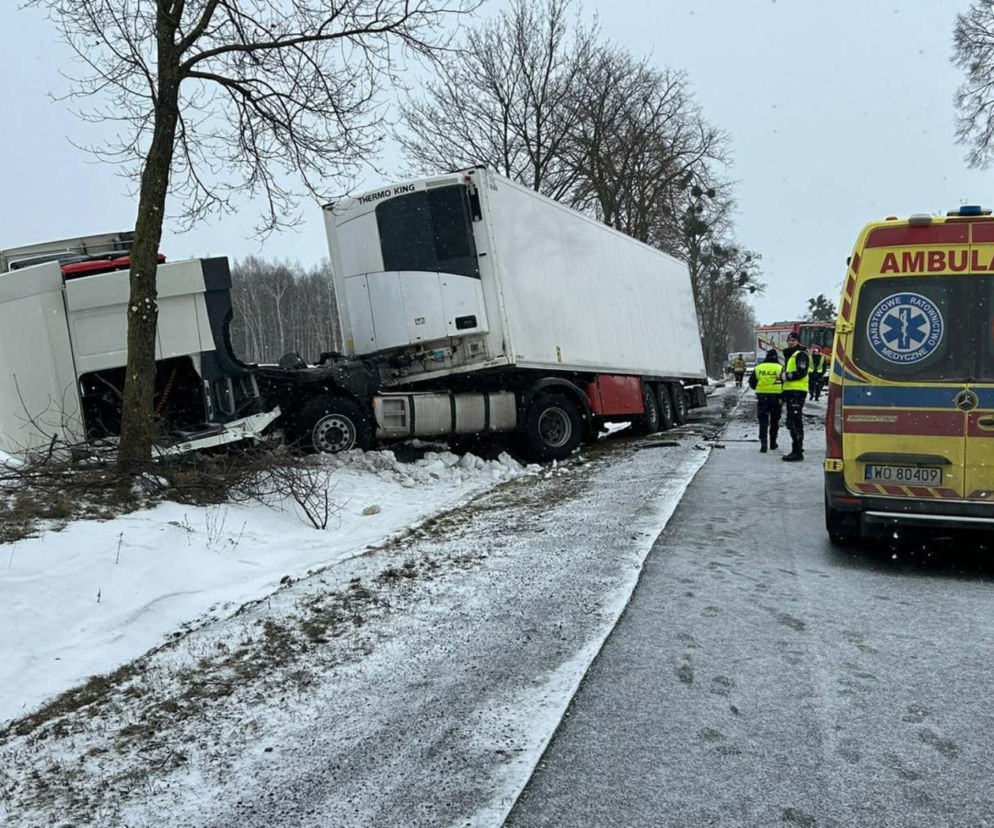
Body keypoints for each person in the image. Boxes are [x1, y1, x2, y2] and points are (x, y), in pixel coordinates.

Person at [780, 331, 810, 461]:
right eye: (789, 340)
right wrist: (783, 393)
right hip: (791, 391)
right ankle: (798, 448)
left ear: (798, 342)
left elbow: (801, 372)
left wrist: (785, 376)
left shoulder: (801, 354)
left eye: (793, 340)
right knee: (793, 421)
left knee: (793, 421)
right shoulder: (790, 355)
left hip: (798, 391)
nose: (791, 342)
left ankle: (797, 451)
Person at [748, 349, 783, 453]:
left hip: (762, 396)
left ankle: (763, 443)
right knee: (775, 420)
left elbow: (752, 382)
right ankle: (773, 442)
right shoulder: (780, 368)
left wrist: (759, 388)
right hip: (776, 396)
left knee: (763, 420)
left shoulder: (759, 367)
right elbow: (784, 382)